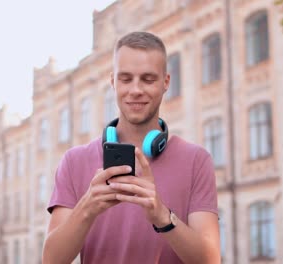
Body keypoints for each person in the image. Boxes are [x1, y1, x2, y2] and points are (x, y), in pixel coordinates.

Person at [43, 31, 220, 264]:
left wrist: (162, 216)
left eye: (147, 79)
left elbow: (210, 261)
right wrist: (88, 207)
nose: (136, 89)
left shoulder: (196, 160)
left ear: (166, 82)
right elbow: (51, 260)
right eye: (126, 79)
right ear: (113, 82)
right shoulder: (74, 161)